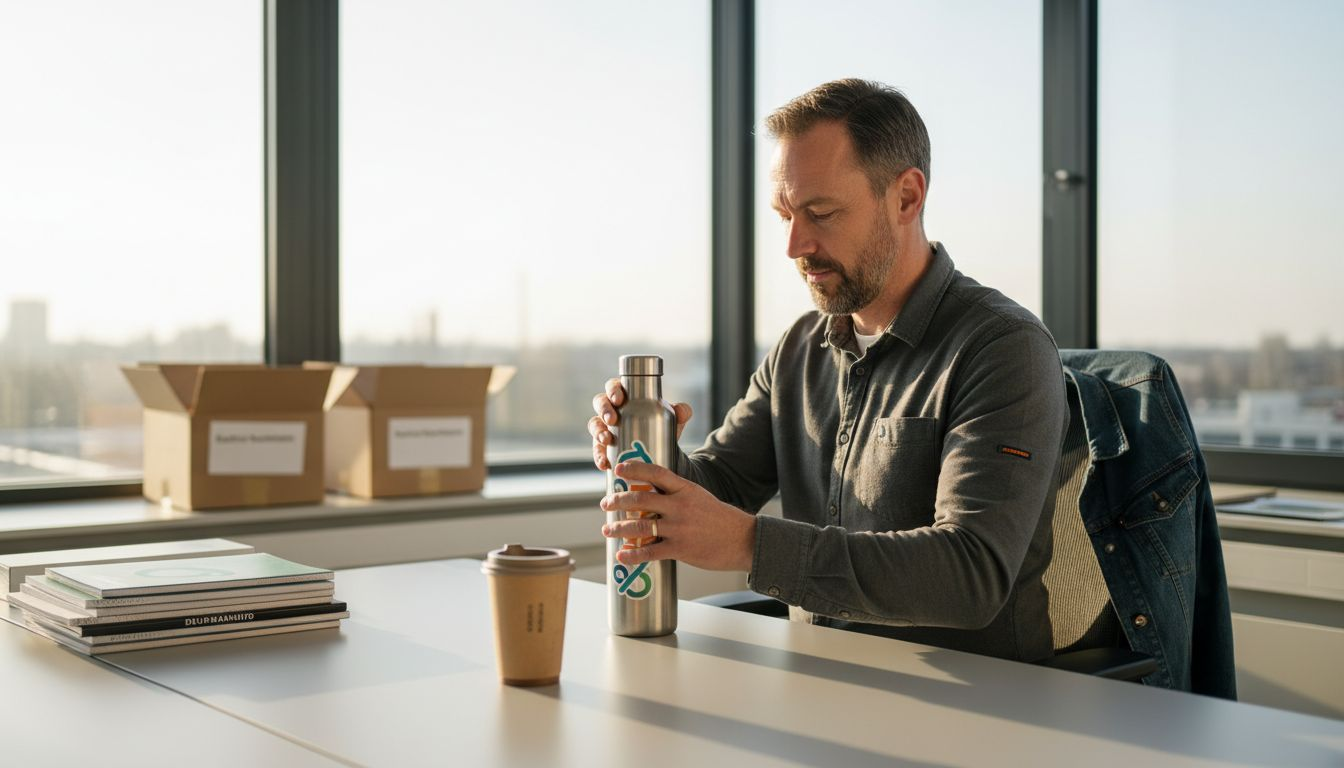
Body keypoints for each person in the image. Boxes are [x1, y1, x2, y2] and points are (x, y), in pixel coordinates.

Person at [587, 78, 1068, 662]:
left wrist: (748, 543)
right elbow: (721, 487)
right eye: (785, 214)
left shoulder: (1002, 348)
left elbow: (970, 575)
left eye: (820, 212)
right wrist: (644, 448)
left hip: (972, 709)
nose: (794, 244)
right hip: (818, 680)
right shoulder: (800, 346)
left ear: (907, 198)